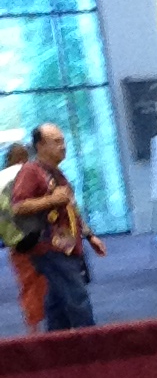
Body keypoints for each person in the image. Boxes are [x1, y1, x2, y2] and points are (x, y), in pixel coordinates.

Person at [11, 123, 106, 331]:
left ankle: (55, 345)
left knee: (57, 304)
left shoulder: (57, 174)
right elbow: (18, 206)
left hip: (67, 246)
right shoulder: (31, 171)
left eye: (62, 141)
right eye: (56, 142)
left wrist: (89, 236)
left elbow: (71, 209)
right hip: (50, 247)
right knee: (77, 298)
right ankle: (92, 343)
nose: (63, 146)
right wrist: (52, 200)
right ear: (40, 146)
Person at [0, 142, 46, 334]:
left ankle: (34, 328)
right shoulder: (30, 174)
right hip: (40, 238)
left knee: (28, 285)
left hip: (16, 244)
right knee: (47, 282)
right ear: (23, 158)